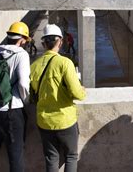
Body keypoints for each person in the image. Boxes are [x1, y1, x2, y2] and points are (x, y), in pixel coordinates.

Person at [30, 24, 86, 172]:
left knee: (51, 158)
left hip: (44, 121)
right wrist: (82, 90)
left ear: (43, 44)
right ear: (60, 42)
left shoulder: (34, 66)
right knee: (71, 156)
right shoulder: (65, 63)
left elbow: (31, 93)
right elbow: (77, 93)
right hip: (64, 120)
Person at [0, 22, 31, 172]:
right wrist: (26, 101)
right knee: (15, 156)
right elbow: (23, 83)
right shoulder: (21, 55)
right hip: (12, 111)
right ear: (22, 39)